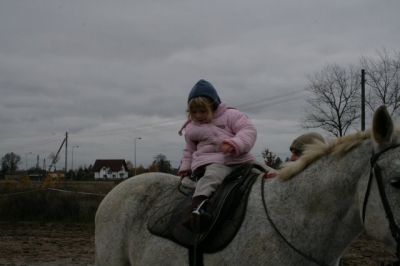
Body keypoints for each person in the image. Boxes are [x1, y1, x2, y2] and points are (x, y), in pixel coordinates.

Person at [178, 79, 257, 228]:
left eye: (202, 111)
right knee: (211, 178)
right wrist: (185, 167)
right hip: (214, 161)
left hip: (240, 158)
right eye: (194, 112)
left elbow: (248, 130)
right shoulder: (191, 128)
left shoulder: (231, 115)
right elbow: (189, 150)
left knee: (268, 172)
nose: (198, 115)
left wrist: (236, 143)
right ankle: (198, 208)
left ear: (213, 106)